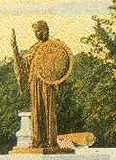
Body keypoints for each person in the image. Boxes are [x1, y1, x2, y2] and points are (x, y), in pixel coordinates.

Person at [11, 21, 72, 150]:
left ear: (46, 30)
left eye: (40, 31)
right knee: (36, 110)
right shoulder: (34, 48)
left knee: (48, 110)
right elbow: (24, 63)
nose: (38, 34)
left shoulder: (53, 46)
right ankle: (37, 140)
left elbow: (60, 65)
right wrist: (15, 49)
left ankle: (50, 141)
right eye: (36, 32)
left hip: (47, 82)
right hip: (34, 81)